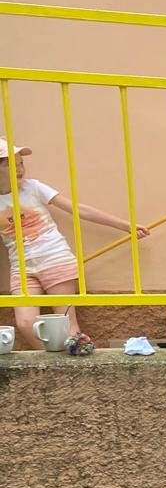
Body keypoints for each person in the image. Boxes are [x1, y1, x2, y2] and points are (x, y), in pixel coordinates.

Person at [1, 137, 147, 349]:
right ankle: (51, 363)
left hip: (55, 258)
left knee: (67, 325)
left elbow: (78, 209)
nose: (20, 169)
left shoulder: (33, 188)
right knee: (25, 323)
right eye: (12, 165)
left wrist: (126, 226)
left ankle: (79, 362)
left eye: (21, 163)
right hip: (21, 268)